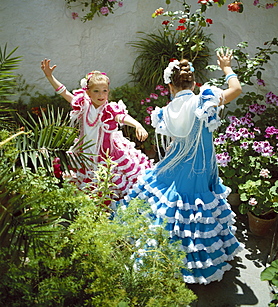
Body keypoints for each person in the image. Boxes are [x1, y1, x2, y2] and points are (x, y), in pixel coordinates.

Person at [121, 48, 244, 284]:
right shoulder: (204, 100)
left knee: (172, 209)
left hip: (176, 163)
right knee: (197, 210)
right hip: (199, 166)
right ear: (194, 82)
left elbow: (172, 142)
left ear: (170, 87)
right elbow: (236, 89)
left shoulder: (165, 111)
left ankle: (163, 255)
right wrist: (226, 67)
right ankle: (197, 262)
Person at [40, 58, 153, 200]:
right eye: (96, 91)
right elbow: (64, 93)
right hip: (86, 150)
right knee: (88, 184)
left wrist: (137, 125)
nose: (101, 95)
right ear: (88, 92)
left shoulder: (108, 109)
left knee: (114, 181)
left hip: (107, 152)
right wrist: (50, 76)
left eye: (104, 91)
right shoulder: (84, 105)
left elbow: (121, 116)